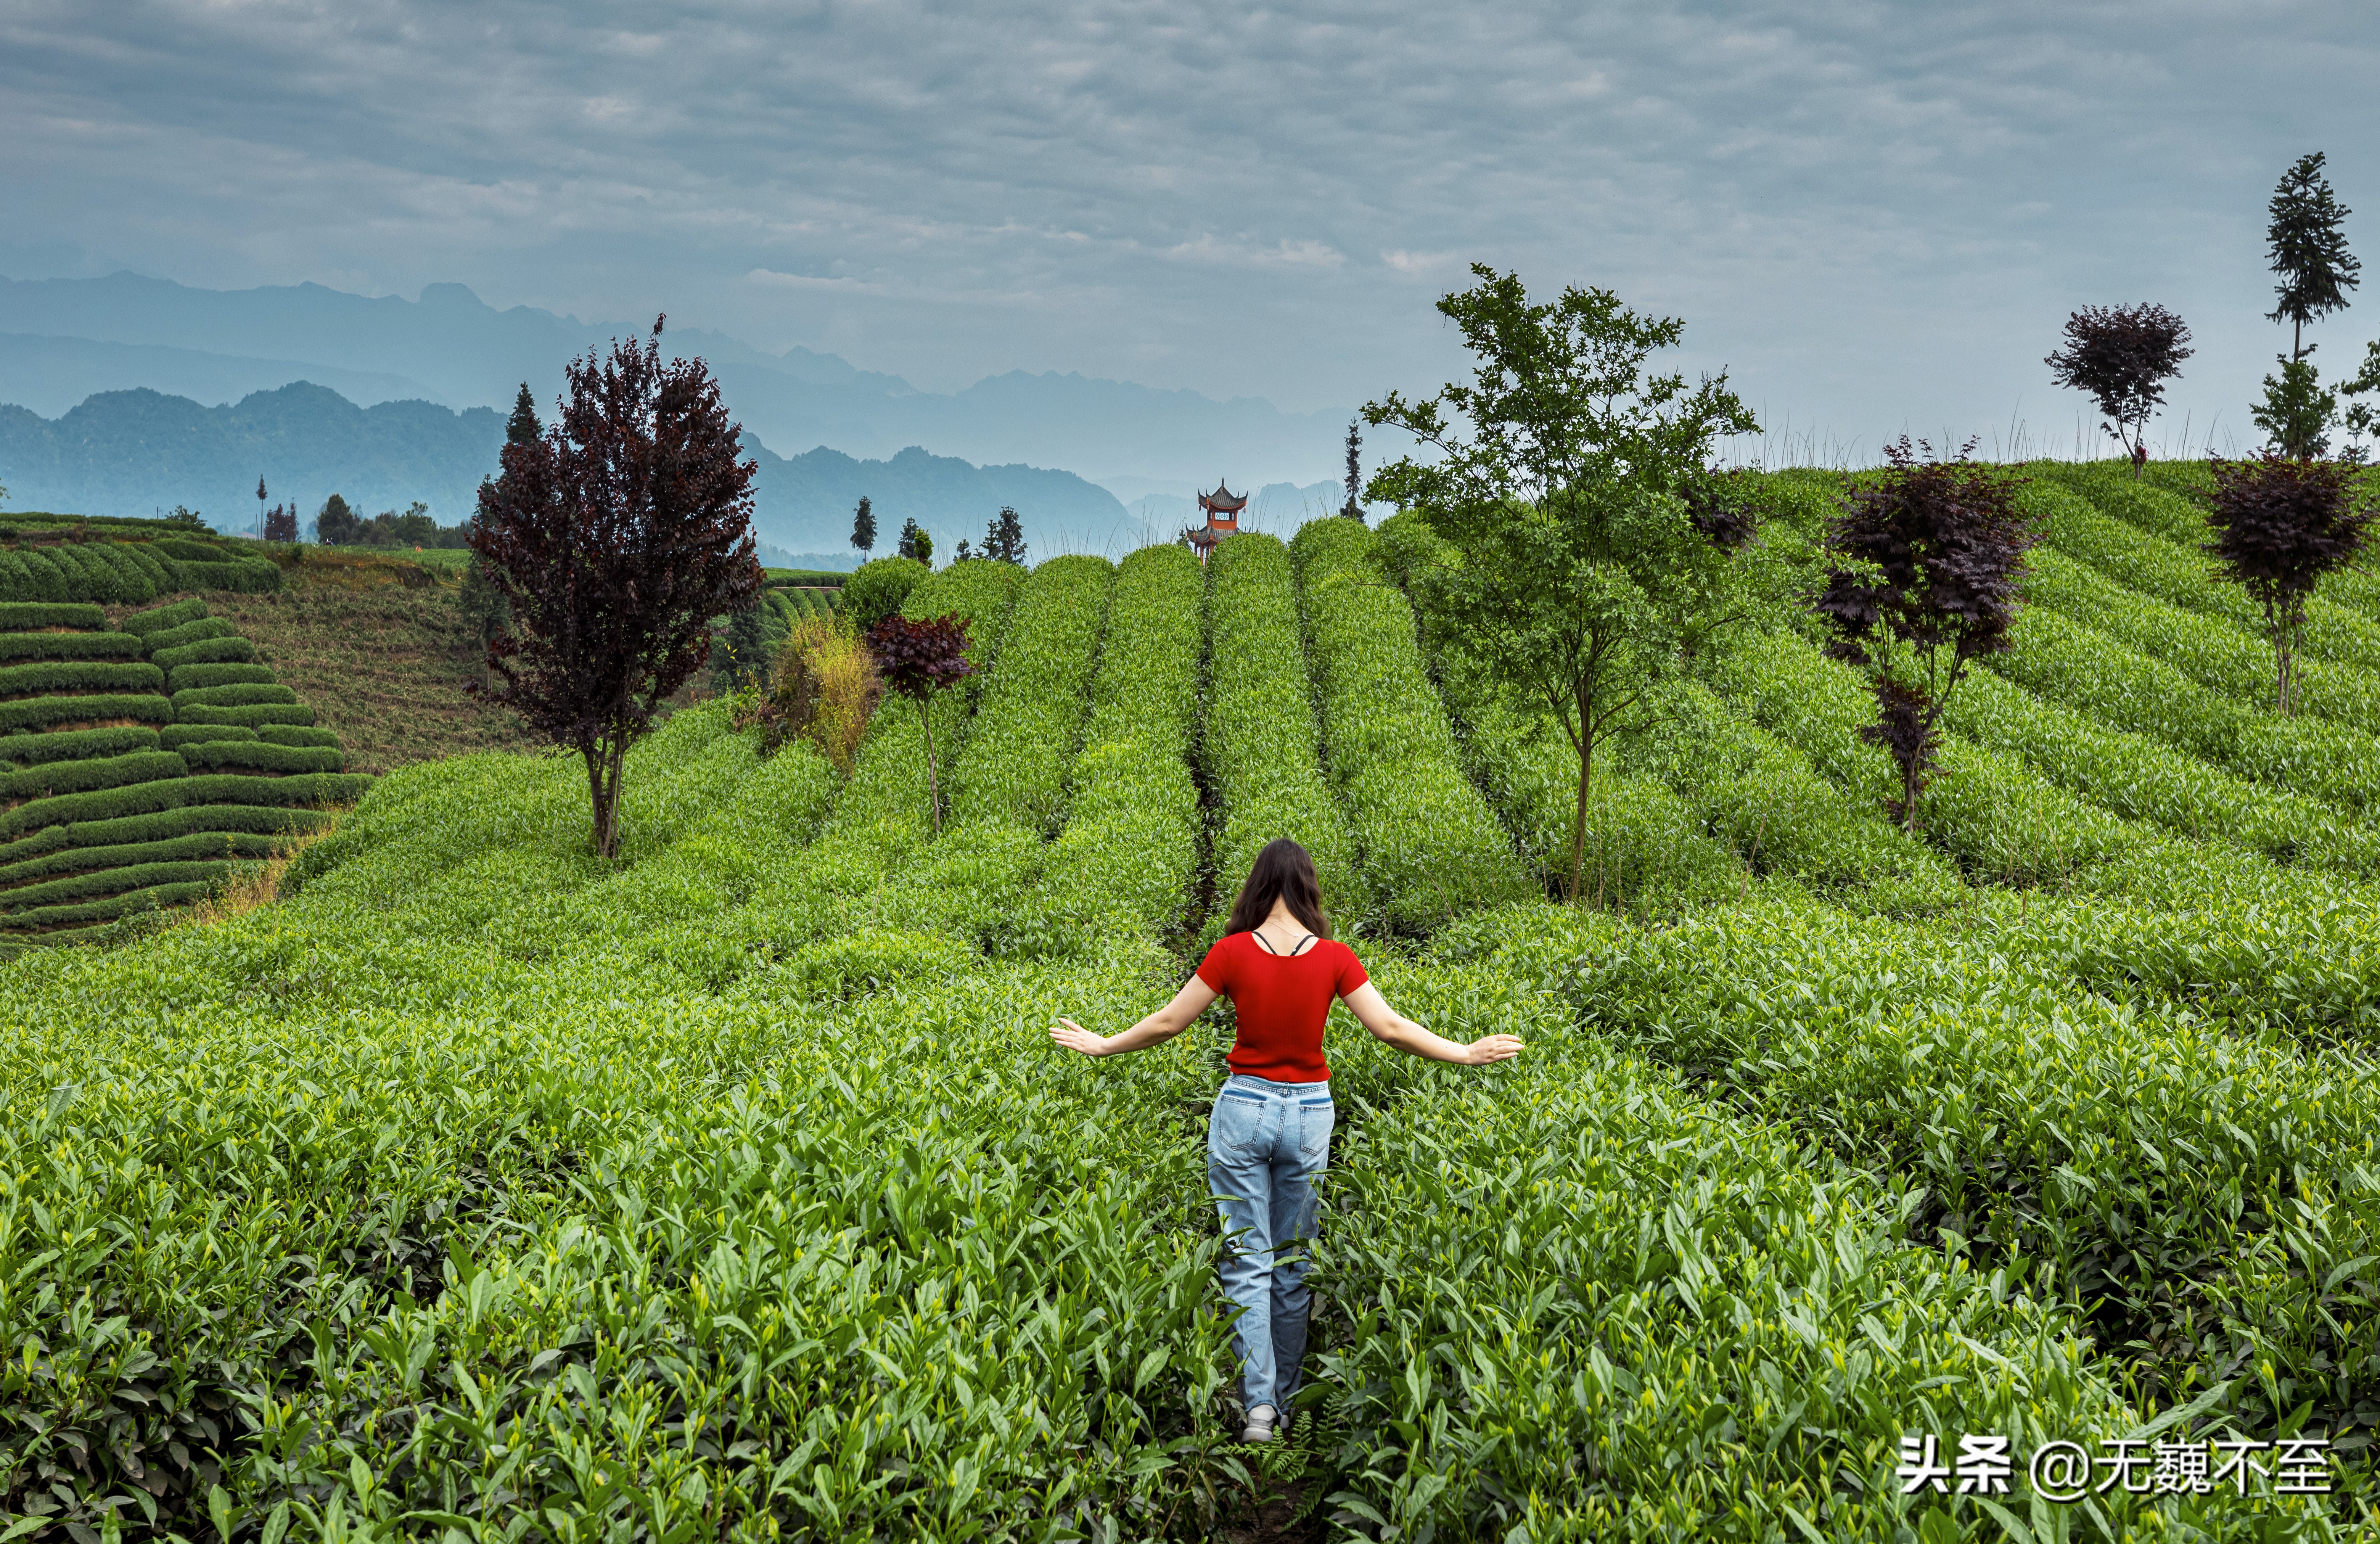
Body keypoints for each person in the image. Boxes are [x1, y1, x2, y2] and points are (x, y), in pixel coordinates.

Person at [1050, 838, 1524, 1444]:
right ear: (1308, 887)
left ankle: (1259, 1414)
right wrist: (1465, 1052)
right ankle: (1291, 1401)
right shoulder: (1334, 957)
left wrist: (1104, 1043)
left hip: (1244, 1107)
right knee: (1293, 1263)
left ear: (1257, 885)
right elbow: (1391, 1028)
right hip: (1308, 1115)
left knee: (1248, 1260)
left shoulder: (1230, 953)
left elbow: (1170, 1022)